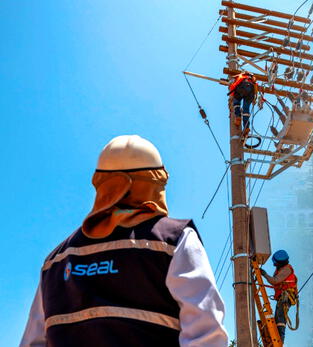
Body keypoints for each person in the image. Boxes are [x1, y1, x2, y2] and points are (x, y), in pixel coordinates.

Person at [20, 135, 228, 347]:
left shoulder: (55, 261)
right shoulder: (174, 239)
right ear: (154, 183)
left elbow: (32, 342)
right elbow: (206, 333)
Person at [261, 249, 298, 342]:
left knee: (280, 317)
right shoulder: (280, 269)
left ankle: (279, 340)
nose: (274, 265)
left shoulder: (286, 269)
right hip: (282, 297)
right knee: (278, 316)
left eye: (276, 263)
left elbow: (274, 281)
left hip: (286, 296)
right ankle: (276, 336)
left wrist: (265, 274)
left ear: (280, 263)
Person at [227, 71, 258, 136]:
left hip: (242, 88)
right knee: (246, 110)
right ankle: (246, 128)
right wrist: (255, 98)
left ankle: (238, 117)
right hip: (251, 91)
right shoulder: (252, 79)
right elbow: (255, 87)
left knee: (236, 102)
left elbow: (233, 86)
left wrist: (232, 97)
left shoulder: (241, 76)